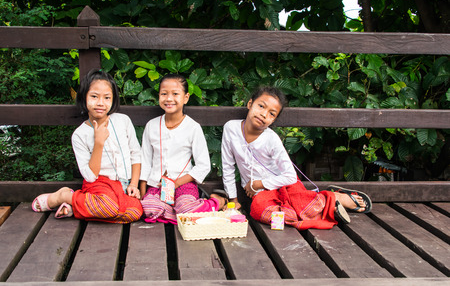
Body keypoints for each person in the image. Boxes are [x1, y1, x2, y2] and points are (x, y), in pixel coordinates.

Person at [221, 86, 372, 230]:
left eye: (272, 114)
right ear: (250, 104)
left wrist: (259, 183)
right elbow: (227, 166)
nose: (264, 114)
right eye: (261, 106)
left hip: (283, 185)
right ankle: (321, 208)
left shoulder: (271, 139)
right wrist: (233, 200)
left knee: (297, 200)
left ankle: (333, 198)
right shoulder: (231, 128)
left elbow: (290, 177)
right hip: (261, 195)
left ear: (273, 120)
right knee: (258, 208)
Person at [32, 69, 143, 223]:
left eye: (107, 97)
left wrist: (133, 184)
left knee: (134, 212)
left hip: (123, 185)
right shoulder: (80, 134)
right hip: (99, 185)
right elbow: (90, 176)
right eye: (94, 96)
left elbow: (135, 154)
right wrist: (98, 142)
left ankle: (75, 206)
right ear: (84, 98)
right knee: (109, 208)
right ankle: (63, 196)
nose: (100, 103)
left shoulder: (122, 121)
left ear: (113, 99)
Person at [139, 73, 227, 224]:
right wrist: (142, 193)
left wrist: (177, 183)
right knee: (149, 208)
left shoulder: (192, 127)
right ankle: (180, 214)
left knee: (185, 207)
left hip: (184, 185)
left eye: (175, 94)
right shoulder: (151, 126)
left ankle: (217, 202)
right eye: (164, 94)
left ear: (185, 98)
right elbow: (145, 161)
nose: (169, 98)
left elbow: (203, 165)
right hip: (156, 186)